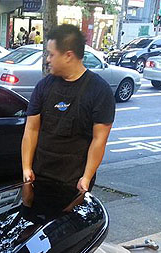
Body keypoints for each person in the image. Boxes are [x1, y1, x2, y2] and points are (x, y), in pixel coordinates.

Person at [21, 24, 115, 194]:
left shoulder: (99, 90)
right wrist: (26, 168)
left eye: (51, 54)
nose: (47, 59)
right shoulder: (44, 86)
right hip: (39, 176)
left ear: (68, 56)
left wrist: (86, 178)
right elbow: (31, 129)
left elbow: (99, 140)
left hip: (74, 181)